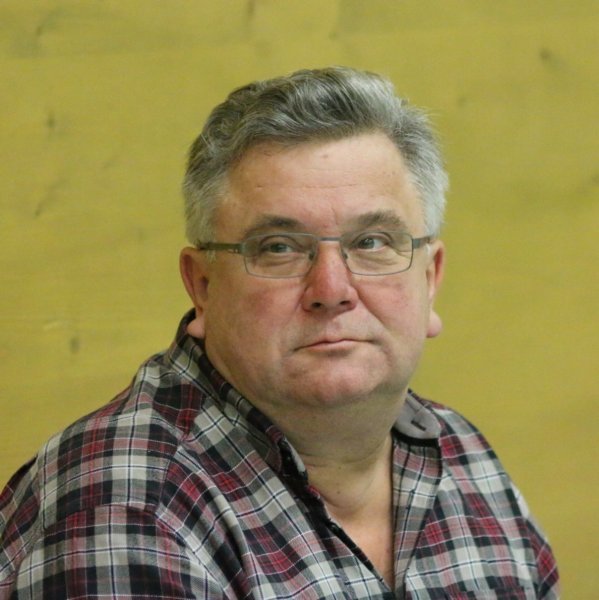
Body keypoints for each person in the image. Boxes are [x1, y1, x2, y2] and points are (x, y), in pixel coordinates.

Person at [0, 66, 558, 599]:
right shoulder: (132, 510)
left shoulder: (465, 457)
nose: (332, 289)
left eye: (371, 242)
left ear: (429, 279)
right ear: (203, 286)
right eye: (279, 248)